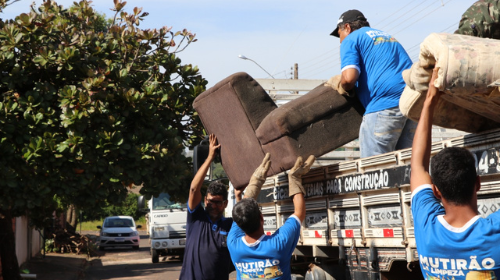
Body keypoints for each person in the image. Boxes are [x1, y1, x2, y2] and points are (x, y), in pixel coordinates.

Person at [410, 68, 500, 279]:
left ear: (436, 191)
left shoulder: (427, 227)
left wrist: (430, 99)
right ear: (478, 183)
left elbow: (417, 166)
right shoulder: (494, 232)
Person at [327, 9, 416, 158]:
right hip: (412, 106)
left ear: (347, 27)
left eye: (339, 34)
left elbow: (349, 78)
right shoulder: (388, 37)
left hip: (383, 108)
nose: (340, 40)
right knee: (409, 169)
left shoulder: (351, 39)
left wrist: (342, 85)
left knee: (375, 170)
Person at [228, 154, 315, 280]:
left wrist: (255, 182)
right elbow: (298, 213)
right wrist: (294, 179)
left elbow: (299, 213)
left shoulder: (233, 244)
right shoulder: (278, 244)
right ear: (261, 218)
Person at [179, 134, 236, 280]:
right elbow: (193, 189)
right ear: (205, 199)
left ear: (225, 204)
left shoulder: (229, 225)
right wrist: (210, 157)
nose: (212, 205)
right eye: (210, 201)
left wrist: (240, 195)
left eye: (217, 202)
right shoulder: (196, 218)